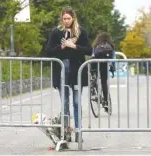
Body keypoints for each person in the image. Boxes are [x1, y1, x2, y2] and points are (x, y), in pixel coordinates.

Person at [44, 6, 92, 142]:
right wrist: (62, 46)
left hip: (77, 71)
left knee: (76, 102)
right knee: (65, 103)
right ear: (62, 19)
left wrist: (74, 46)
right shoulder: (56, 32)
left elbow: (89, 50)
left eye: (68, 18)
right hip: (62, 70)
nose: (66, 21)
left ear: (73, 18)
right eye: (64, 18)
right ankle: (65, 133)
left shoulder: (81, 32)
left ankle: (78, 132)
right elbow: (48, 51)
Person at [91, 32, 115, 112]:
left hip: (94, 63)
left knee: (94, 76)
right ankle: (106, 102)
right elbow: (113, 59)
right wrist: (112, 69)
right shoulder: (110, 46)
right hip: (104, 64)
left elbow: (92, 55)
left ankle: (93, 85)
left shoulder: (95, 45)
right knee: (104, 82)